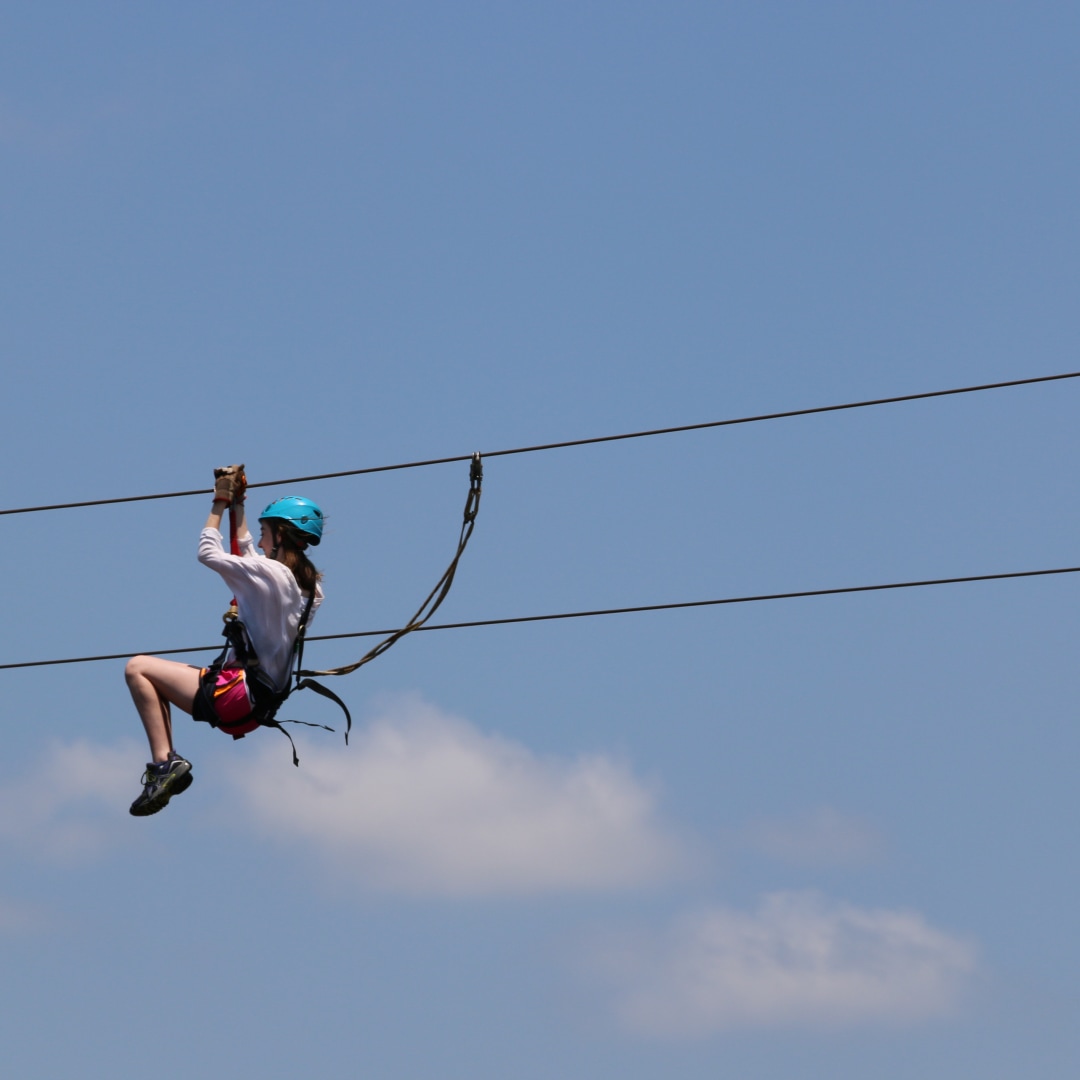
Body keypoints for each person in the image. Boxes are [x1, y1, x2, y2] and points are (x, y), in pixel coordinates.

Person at [125, 465, 324, 816]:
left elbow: (209, 554)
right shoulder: (309, 590)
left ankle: (162, 764)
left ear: (280, 535)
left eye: (265, 533)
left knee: (137, 668)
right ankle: (166, 763)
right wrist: (240, 504)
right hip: (257, 705)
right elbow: (247, 551)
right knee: (160, 678)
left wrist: (219, 503)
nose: (260, 542)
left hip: (235, 697)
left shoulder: (271, 573)